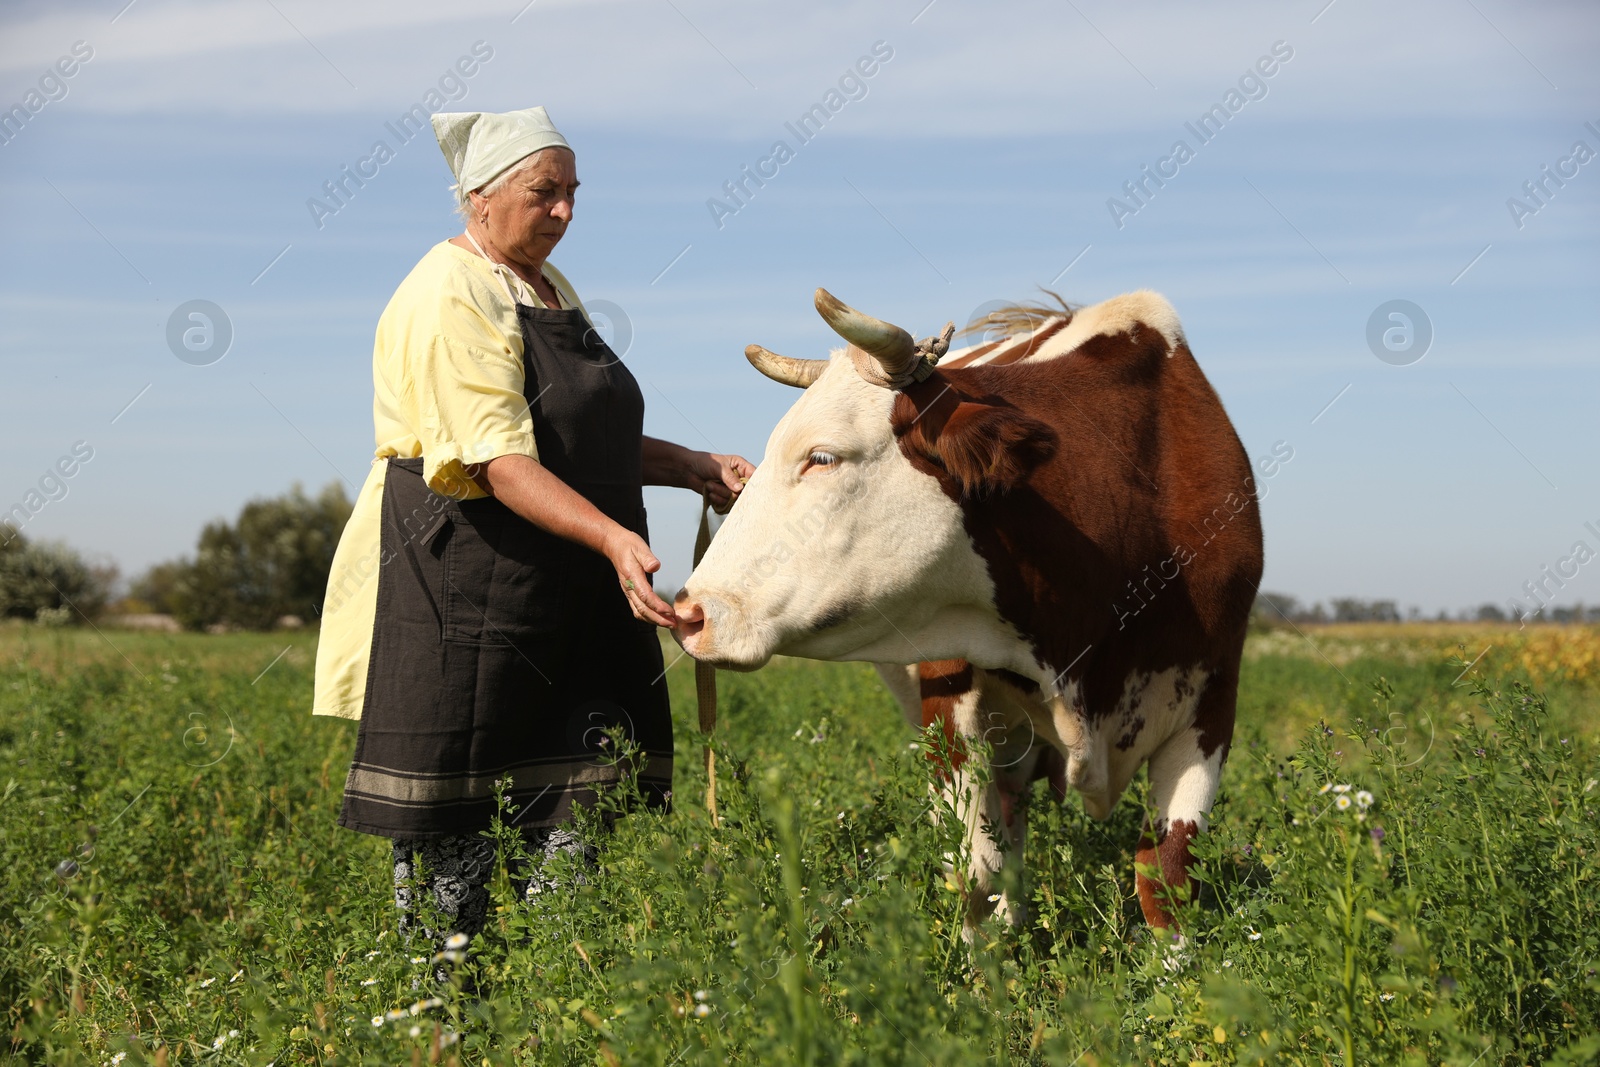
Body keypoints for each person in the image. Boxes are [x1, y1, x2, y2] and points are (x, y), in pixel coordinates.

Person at [311, 105, 753, 945]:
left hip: (566, 596)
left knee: (577, 814)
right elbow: (495, 459)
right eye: (544, 193)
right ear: (479, 196)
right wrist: (616, 537)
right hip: (471, 586)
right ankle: (438, 1021)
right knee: (457, 827)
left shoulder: (545, 288)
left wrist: (691, 463)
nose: (565, 212)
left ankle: (559, 1002)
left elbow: (578, 438)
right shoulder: (450, 290)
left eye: (573, 193)